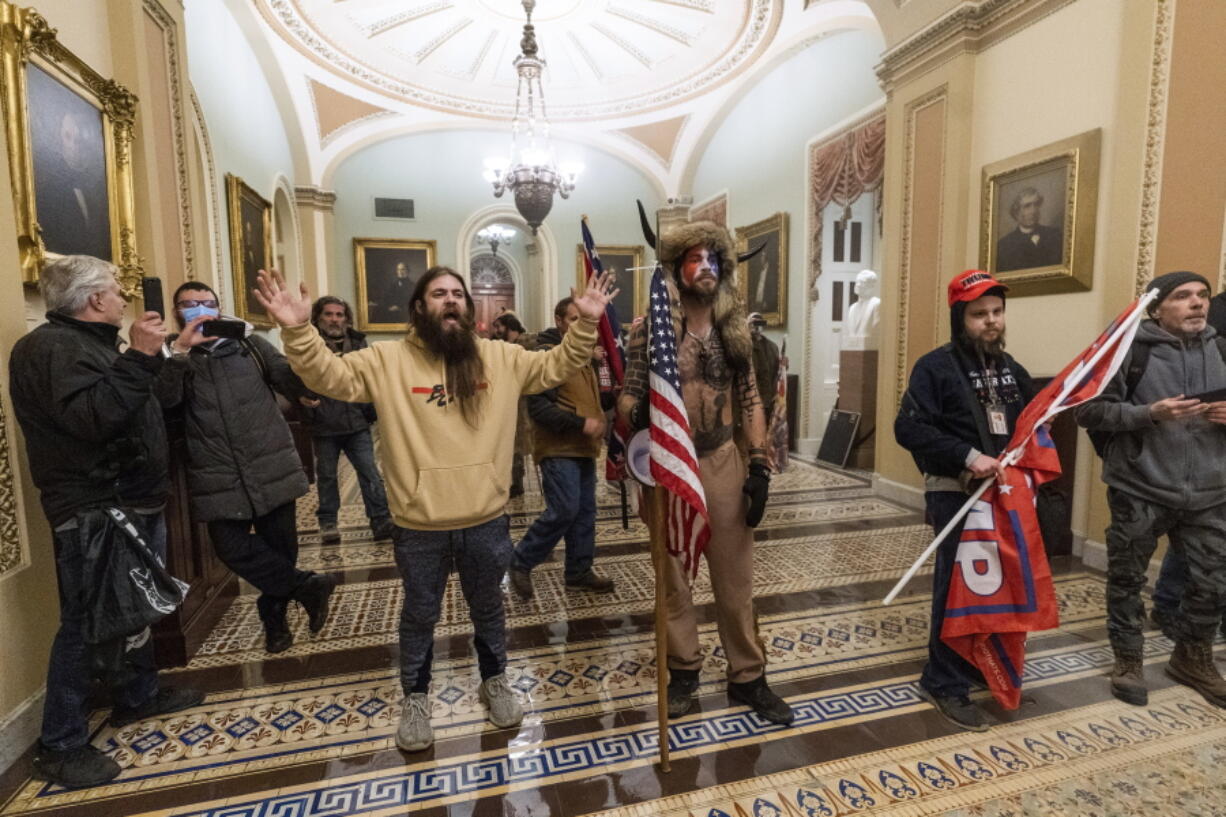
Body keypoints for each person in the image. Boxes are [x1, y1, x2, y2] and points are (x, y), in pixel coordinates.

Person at [254, 264, 616, 753]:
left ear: (468, 308)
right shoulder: (385, 360)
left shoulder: (501, 358)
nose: (451, 301)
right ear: (420, 306)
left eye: (458, 295)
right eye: (439, 293)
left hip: (485, 517)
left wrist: (588, 322)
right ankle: (416, 697)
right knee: (420, 613)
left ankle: (495, 680)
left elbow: (557, 364)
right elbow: (327, 376)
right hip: (418, 524)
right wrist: (297, 329)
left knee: (488, 607)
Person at [9, 256, 203, 788]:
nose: (123, 300)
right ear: (95, 299)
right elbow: (93, 420)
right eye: (117, 292)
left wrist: (173, 356)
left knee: (134, 610)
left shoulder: (95, 345)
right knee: (85, 625)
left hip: (131, 502)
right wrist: (140, 358)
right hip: (95, 510)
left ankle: (138, 697)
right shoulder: (48, 348)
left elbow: (146, 403)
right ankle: (61, 743)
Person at [618, 219, 793, 726]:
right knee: (672, 579)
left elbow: (752, 399)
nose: (706, 267)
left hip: (721, 461)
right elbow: (628, 395)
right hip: (670, 466)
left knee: (735, 580)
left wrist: (759, 465)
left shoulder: (735, 330)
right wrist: (636, 412)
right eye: (696, 259)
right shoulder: (648, 331)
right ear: (676, 269)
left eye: (713, 259)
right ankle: (684, 670)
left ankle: (748, 677)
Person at [159, 281, 336, 655]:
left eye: (205, 303)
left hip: (269, 462)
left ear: (219, 309)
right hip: (216, 471)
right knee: (231, 547)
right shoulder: (170, 353)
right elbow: (166, 402)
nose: (197, 309)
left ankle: (275, 624)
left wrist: (308, 389)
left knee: (280, 550)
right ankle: (308, 586)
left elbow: (285, 376)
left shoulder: (250, 345)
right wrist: (180, 353)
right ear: (177, 313)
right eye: (188, 304)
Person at [1076, 270, 1226, 709]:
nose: (1197, 304)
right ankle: (1128, 661)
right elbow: (1086, 411)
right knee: (1127, 580)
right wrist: (1149, 414)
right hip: (1140, 487)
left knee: (1214, 584)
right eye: (1183, 297)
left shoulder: (1221, 348)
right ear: (1158, 308)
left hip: (1211, 491)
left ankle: (1192, 658)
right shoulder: (1128, 351)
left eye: (1202, 296)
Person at [894, 269, 1035, 731]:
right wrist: (969, 456)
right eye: (979, 314)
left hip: (1004, 498)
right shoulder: (934, 367)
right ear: (960, 318)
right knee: (957, 590)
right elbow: (909, 429)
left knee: (998, 584)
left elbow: (1033, 426)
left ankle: (980, 660)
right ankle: (943, 680)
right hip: (954, 492)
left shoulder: (1012, 370)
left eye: (997, 312)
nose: (991, 322)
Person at [508, 297, 616, 599]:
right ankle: (521, 560)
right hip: (559, 448)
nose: (581, 327)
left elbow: (593, 400)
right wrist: (582, 424)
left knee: (585, 513)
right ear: (559, 320)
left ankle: (579, 571)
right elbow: (539, 408)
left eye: (584, 321)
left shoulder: (583, 357)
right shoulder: (548, 355)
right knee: (565, 509)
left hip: (583, 448)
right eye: (573, 319)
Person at [299, 296, 393, 544]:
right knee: (328, 475)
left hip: (356, 421)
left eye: (339, 315)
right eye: (328, 314)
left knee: (370, 473)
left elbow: (371, 377)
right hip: (324, 422)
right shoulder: (312, 345)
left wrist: (372, 410)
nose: (334, 319)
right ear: (318, 318)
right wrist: (304, 401)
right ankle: (328, 522)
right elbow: (297, 375)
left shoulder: (359, 342)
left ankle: (381, 520)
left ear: (346, 318)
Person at [995, 187, 1063, 272]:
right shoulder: (1004, 245)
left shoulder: (1055, 235)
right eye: (1027, 206)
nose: (1033, 211)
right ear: (1016, 212)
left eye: (1036, 205)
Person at [748, 312, 781, 420]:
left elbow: (778, 371)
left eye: (759, 323)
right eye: (753, 323)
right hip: (750, 400)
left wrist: (784, 365)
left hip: (769, 399)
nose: (756, 326)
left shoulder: (772, 347)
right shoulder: (743, 346)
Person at [844, 269, 881, 348]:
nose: (858, 285)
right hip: (851, 347)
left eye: (862, 282)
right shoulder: (852, 308)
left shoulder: (876, 303)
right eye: (857, 281)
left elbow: (876, 329)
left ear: (872, 286)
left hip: (869, 348)